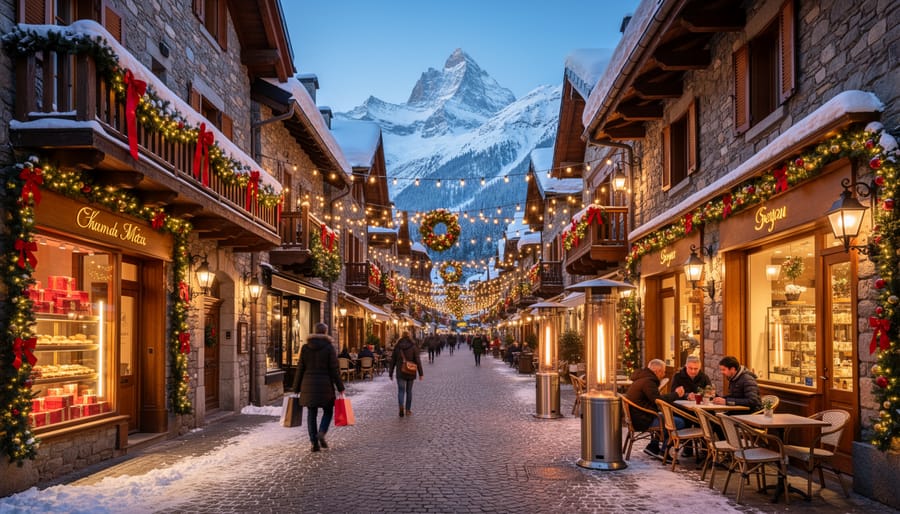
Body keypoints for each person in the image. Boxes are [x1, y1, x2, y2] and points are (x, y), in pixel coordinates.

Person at [292, 322, 344, 453]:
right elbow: (334, 370)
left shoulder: (305, 348)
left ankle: (314, 443)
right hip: (325, 385)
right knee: (327, 411)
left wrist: (296, 387)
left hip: (308, 385)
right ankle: (321, 432)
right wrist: (340, 386)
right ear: (325, 332)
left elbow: (300, 368)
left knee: (311, 413)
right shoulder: (329, 348)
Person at [624, 359, 685, 460]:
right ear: (658, 371)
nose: (664, 374)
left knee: (664, 417)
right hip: (643, 420)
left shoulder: (642, 378)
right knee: (678, 422)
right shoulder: (648, 382)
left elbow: (654, 399)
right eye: (664, 371)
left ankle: (653, 446)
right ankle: (665, 452)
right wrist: (676, 394)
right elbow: (658, 400)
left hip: (638, 417)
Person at [669, 355, 711, 457]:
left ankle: (706, 451)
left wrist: (705, 395)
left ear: (700, 367)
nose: (693, 371)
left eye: (696, 369)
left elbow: (709, 391)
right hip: (682, 409)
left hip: (699, 408)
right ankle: (688, 449)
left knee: (706, 419)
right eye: (690, 368)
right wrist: (687, 395)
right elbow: (673, 393)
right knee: (689, 419)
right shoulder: (678, 376)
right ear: (686, 366)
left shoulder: (704, 377)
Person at [389, 331, 423, 417]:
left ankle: (401, 406)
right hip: (411, 371)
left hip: (400, 371)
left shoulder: (397, 346)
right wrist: (421, 373)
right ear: (409, 336)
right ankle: (408, 410)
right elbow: (418, 360)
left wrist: (391, 372)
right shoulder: (413, 346)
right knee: (409, 391)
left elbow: (393, 360)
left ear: (401, 336)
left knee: (401, 391)